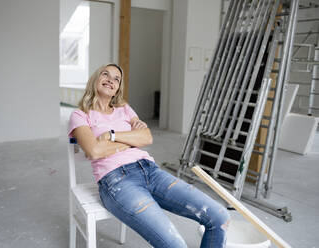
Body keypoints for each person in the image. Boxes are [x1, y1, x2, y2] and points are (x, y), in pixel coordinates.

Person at [68, 63, 230, 248]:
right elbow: (94, 151)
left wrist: (112, 137)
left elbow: (146, 137)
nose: (110, 80)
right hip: (117, 181)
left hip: (151, 171)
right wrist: (130, 140)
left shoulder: (125, 109)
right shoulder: (80, 115)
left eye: (116, 79)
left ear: (118, 89)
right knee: (175, 245)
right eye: (105, 74)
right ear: (95, 79)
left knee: (219, 216)